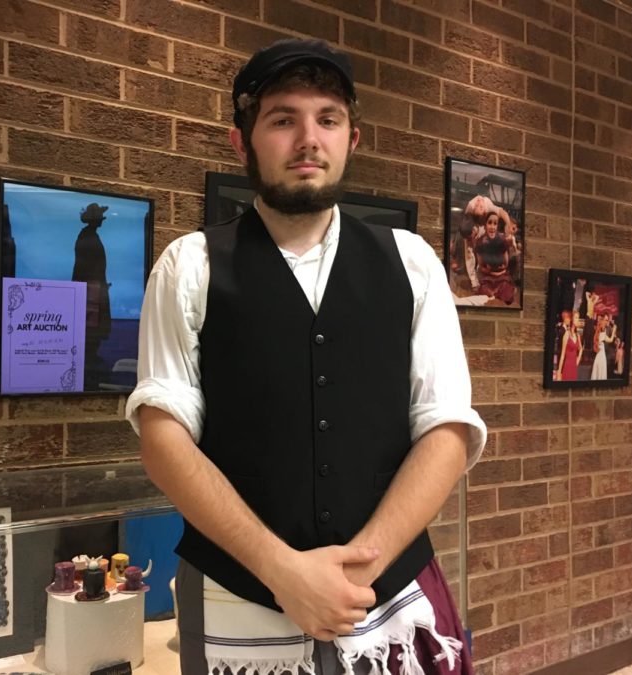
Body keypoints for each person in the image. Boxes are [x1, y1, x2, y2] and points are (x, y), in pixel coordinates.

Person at [126, 39, 486, 675]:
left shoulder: (414, 264)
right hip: (236, 592)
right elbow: (163, 437)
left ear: (353, 138)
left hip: (389, 595)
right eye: (282, 119)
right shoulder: (190, 266)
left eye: (328, 119)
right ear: (243, 142)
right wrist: (282, 569)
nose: (308, 138)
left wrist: (355, 570)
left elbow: (448, 428)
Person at [72, 202, 112, 389]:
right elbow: (86, 266)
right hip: (91, 290)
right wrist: (95, 286)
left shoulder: (89, 236)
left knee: (93, 324)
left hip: (94, 287)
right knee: (91, 324)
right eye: (99, 218)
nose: (101, 221)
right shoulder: (87, 237)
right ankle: (88, 358)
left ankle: (90, 356)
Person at [474, 212, 516, 305]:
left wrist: (499, 271)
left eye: (495, 224)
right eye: (490, 223)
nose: (492, 227)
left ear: (497, 226)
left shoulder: (502, 240)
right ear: (485, 225)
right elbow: (481, 266)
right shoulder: (480, 243)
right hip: (488, 278)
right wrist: (488, 271)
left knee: (507, 294)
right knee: (484, 293)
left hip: (501, 277)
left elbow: (505, 265)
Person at [555, 310, 582, 381]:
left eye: (578, 318)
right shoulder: (567, 334)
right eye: (576, 318)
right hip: (567, 366)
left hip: (574, 367)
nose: (578, 320)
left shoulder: (578, 335)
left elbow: (581, 349)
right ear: (572, 319)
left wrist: (577, 360)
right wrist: (559, 372)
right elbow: (562, 354)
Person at [590, 314, 615, 380]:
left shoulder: (597, 332)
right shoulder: (602, 334)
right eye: (606, 320)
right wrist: (614, 330)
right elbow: (611, 340)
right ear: (603, 321)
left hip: (598, 357)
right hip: (601, 358)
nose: (607, 322)